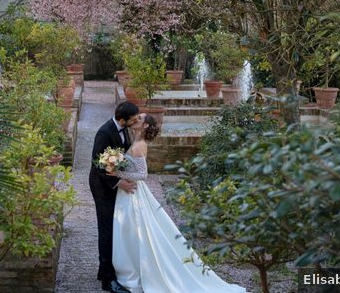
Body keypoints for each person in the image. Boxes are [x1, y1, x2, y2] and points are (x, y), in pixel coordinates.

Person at [110, 114, 247, 293]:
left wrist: (117, 175)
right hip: (129, 192)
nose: (136, 119)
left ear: (144, 126)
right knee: (130, 231)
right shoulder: (133, 141)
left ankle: (136, 272)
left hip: (133, 192)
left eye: (140, 118)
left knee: (134, 230)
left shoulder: (138, 146)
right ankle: (131, 268)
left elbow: (143, 175)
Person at [89, 101, 140, 293]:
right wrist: (119, 183)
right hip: (102, 187)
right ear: (122, 119)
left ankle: (107, 271)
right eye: (133, 119)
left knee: (115, 229)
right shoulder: (104, 132)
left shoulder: (124, 128)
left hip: (114, 182)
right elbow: (98, 164)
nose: (135, 121)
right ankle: (107, 280)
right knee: (107, 231)